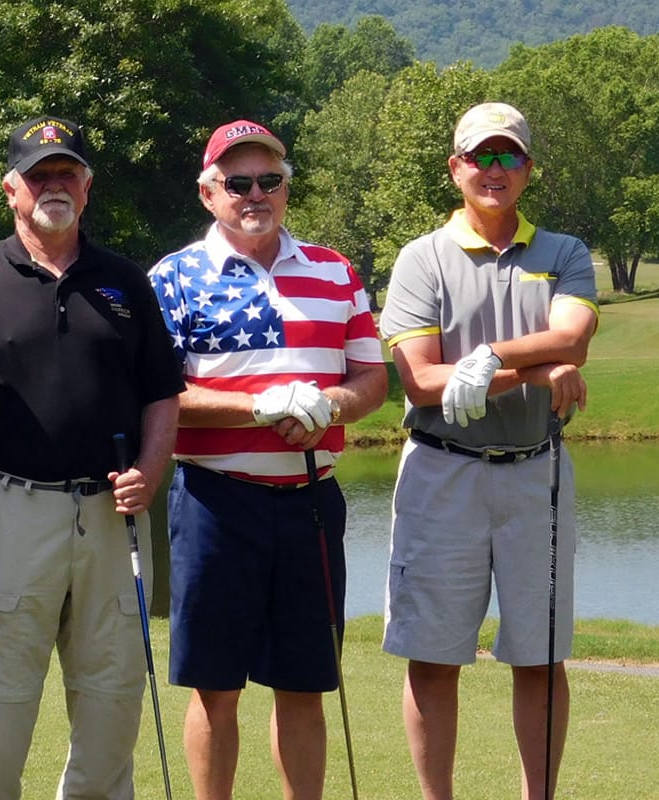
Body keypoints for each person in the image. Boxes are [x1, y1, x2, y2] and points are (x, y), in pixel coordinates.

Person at [0, 115, 185, 799]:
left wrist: (152, 470)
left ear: (88, 187)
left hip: (112, 516)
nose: (54, 185)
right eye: (40, 175)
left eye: (67, 173)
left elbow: (163, 393)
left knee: (111, 699)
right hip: (10, 508)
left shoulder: (124, 281)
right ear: (11, 189)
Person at [146, 119, 387, 799]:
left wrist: (329, 407)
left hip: (310, 501)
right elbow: (158, 395)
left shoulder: (333, 270)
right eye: (238, 182)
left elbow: (372, 381)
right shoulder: (174, 277)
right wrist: (256, 407)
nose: (256, 194)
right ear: (208, 192)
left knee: (303, 683)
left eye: (270, 181)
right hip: (216, 501)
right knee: (215, 686)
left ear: (286, 187)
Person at [378, 102, 598, 800]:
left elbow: (574, 339)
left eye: (508, 157)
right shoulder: (421, 259)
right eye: (480, 156)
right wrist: (534, 372)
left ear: (528, 170)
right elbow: (421, 379)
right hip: (443, 470)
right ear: (455, 168)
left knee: (539, 655)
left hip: (537, 472)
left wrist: (489, 357)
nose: (493, 170)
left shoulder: (562, 253)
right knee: (434, 656)